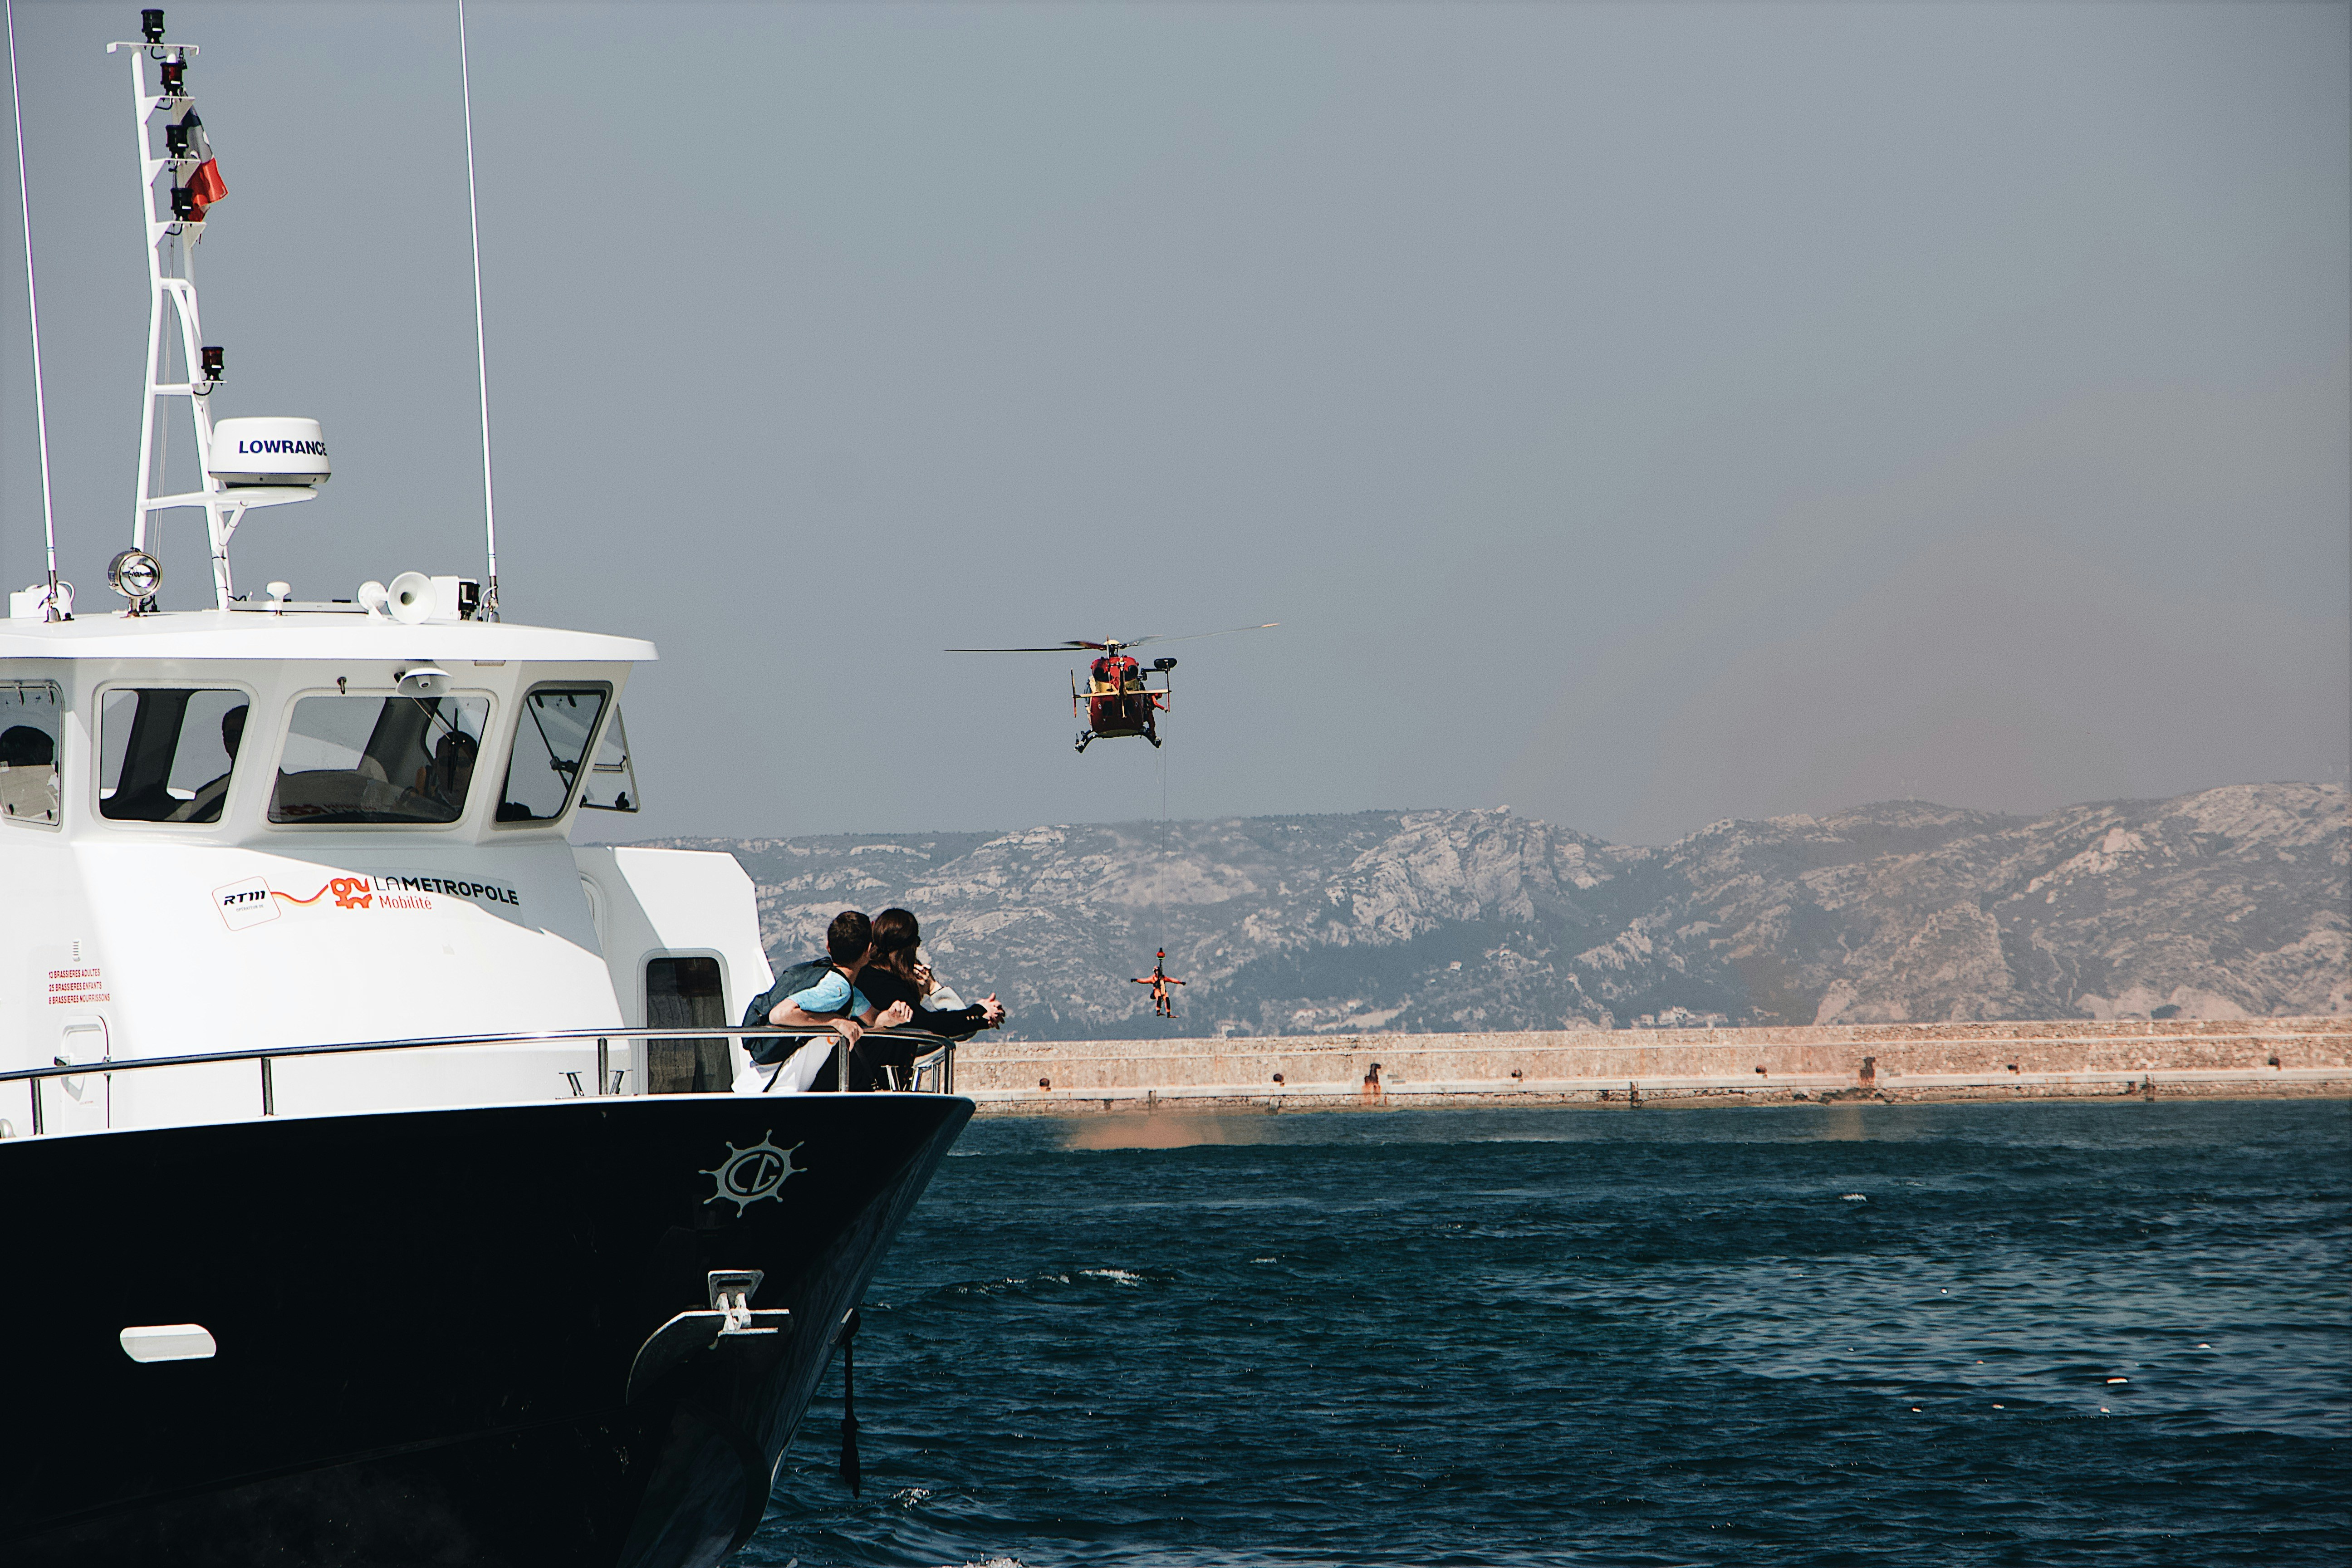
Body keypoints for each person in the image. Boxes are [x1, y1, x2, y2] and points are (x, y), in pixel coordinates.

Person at [747, 911, 913, 1092]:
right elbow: (780, 1014)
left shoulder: (841, 986)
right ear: (869, 950)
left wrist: (892, 1016)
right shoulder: (838, 989)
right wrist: (836, 1022)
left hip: (759, 1083)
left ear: (828, 946)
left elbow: (873, 1020)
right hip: (774, 1089)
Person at [851, 908, 1004, 1087]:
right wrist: (978, 1012)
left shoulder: (868, 975)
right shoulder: (885, 984)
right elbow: (928, 1024)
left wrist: (933, 990)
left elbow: (953, 1030)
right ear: (909, 948)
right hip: (864, 1085)